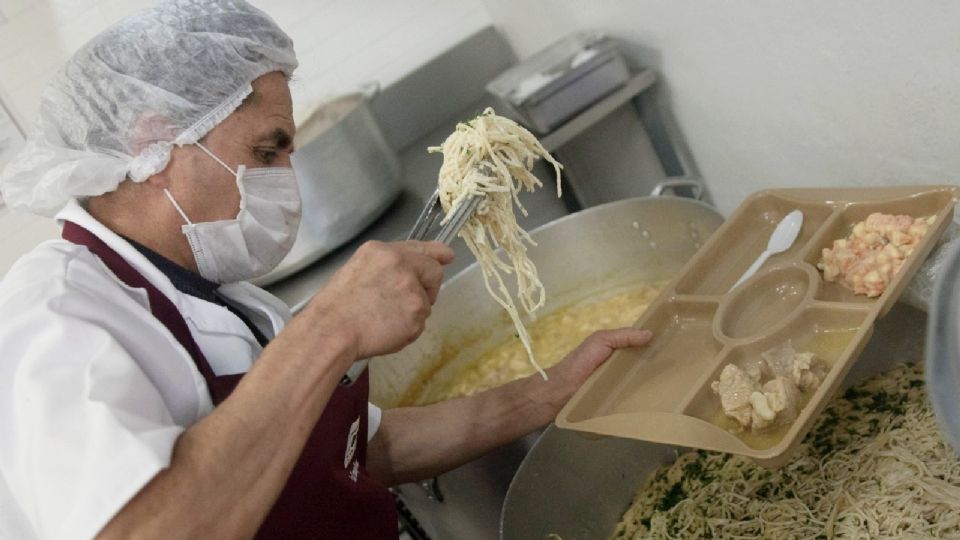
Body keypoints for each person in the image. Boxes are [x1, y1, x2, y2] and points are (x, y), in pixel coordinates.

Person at [0, 1, 653, 538]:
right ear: (153, 144)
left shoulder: (216, 290)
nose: (284, 183)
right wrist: (331, 327)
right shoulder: (52, 319)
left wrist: (554, 392)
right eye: (266, 151)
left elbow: (357, 448)